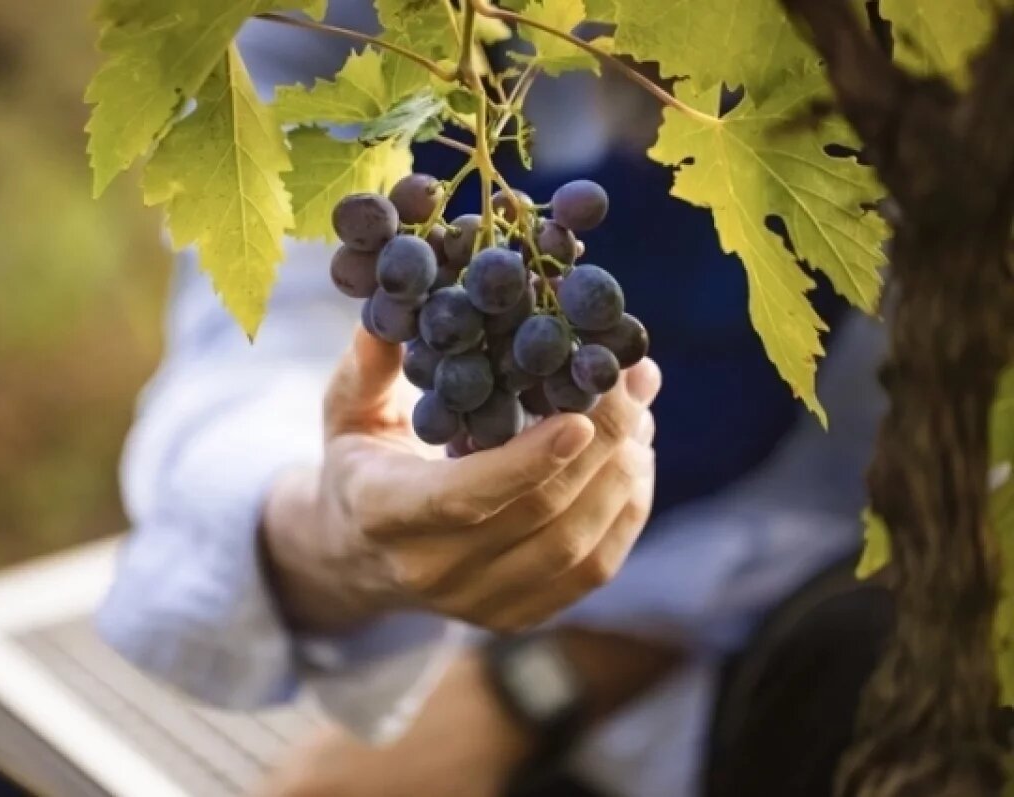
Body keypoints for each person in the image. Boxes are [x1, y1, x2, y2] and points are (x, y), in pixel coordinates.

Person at [95, 4, 893, 796]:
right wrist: (328, 528)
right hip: (326, 660)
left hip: (705, 709)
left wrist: (535, 688)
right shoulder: (337, 21)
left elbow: (871, 495)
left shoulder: (924, 77)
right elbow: (254, 356)